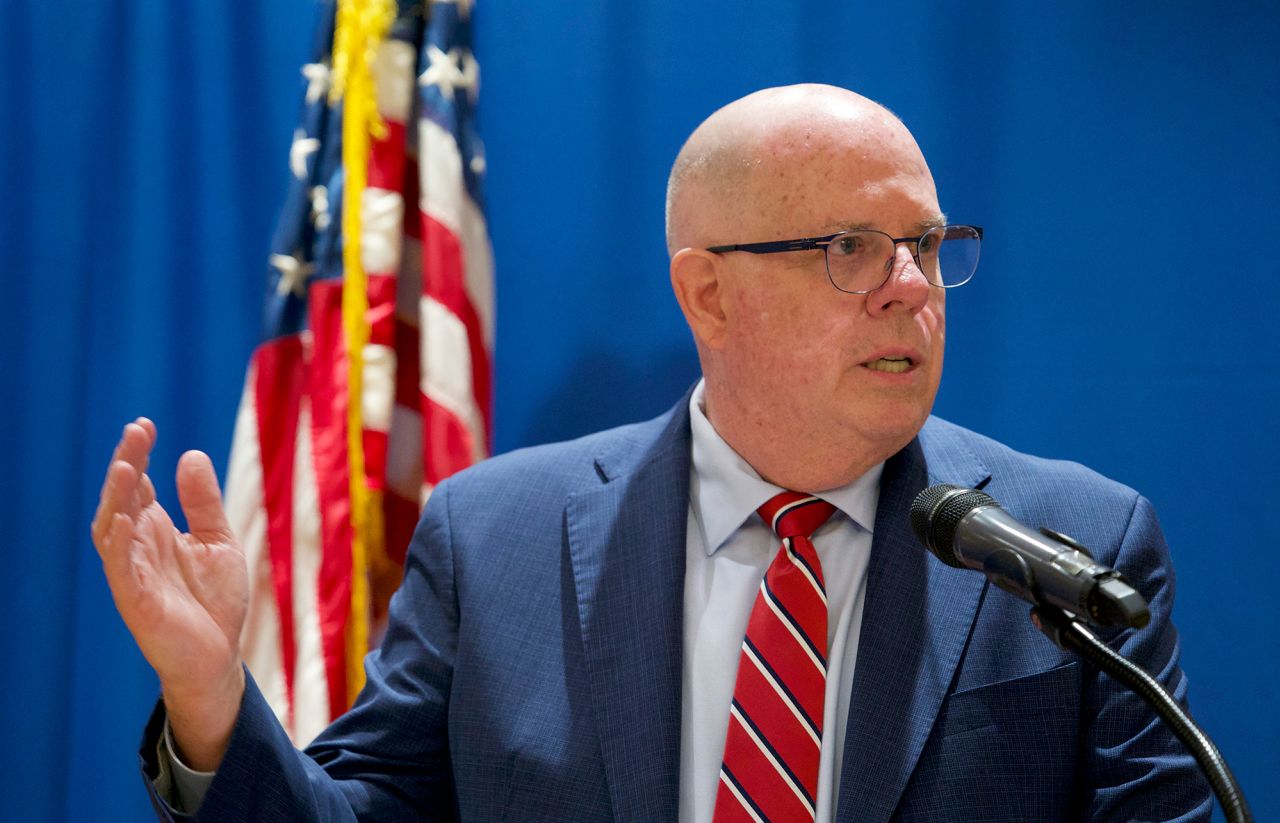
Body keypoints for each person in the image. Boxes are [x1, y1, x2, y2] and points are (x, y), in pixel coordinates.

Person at [94, 84, 1212, 821]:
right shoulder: (494, 540)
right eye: (849, 248)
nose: (910, 287)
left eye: (924, 243)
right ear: (706, 293)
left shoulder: (1070, 545)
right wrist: (208, 696)